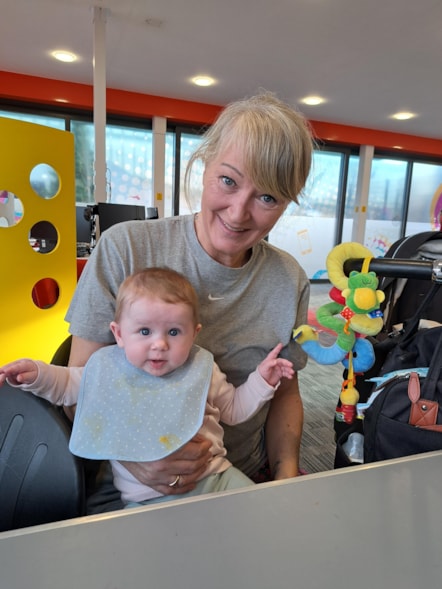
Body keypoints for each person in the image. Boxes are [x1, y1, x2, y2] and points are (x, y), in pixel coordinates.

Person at [65, 90, 314, 511]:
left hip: (236, 473)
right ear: (203, 166)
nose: (238, 213)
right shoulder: (125, 249)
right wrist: (140, 461)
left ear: (286, 203)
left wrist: (285, 477)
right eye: (228, 181)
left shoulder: (288, 278)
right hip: (130, 479)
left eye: (267, 197)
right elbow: (82, 385)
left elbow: (286, 392)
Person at [0, 267, 294, 506]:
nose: (159, 344)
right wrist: (35, 373)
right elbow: (65, 384)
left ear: (194, 334)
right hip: (144, 498)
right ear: (119, 334)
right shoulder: (108, 370)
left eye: (174, 332)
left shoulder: (203, 370)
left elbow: (233, 409)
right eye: (144, 331)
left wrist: (261, 380)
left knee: (261, 514)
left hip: (218, 479)